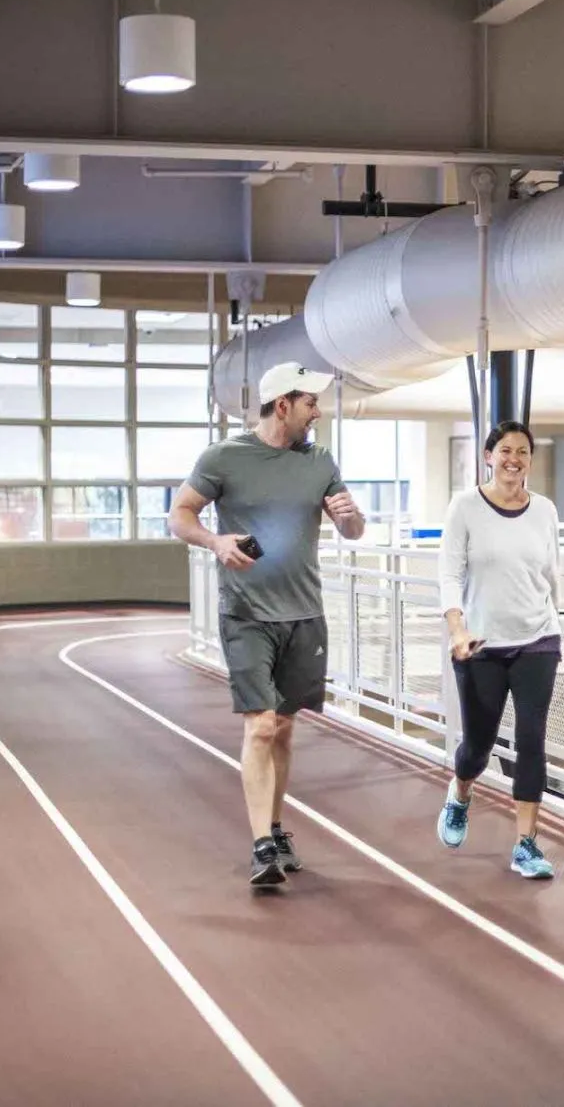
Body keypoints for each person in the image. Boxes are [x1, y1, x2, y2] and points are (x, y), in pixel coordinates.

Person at [168, 362, 365, 886]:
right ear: (283, 406)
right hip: (248, 614)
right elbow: (180, 514)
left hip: (304, 614)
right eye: (310, 404)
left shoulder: (320, 459)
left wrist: (349, 515)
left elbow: (353, 530)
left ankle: (276, 829)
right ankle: (261, 846)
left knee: (282, 728)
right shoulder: (224, 457)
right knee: (259, 726)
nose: (317, 412)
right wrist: (215, 541)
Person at [435, 421, 562, 880]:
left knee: (532, 741)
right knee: (478, 746)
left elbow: (551, 574)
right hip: (481, 645)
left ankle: (526, 845)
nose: (514, 459)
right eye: (505, 450)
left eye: (523, 452)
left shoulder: (544, 510)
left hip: (537, 640)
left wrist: (557, 624)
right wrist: (457, 629)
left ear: (531, 460)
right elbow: (450, 575)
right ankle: (460, 793)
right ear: (488, 456)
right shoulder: (465, 508)